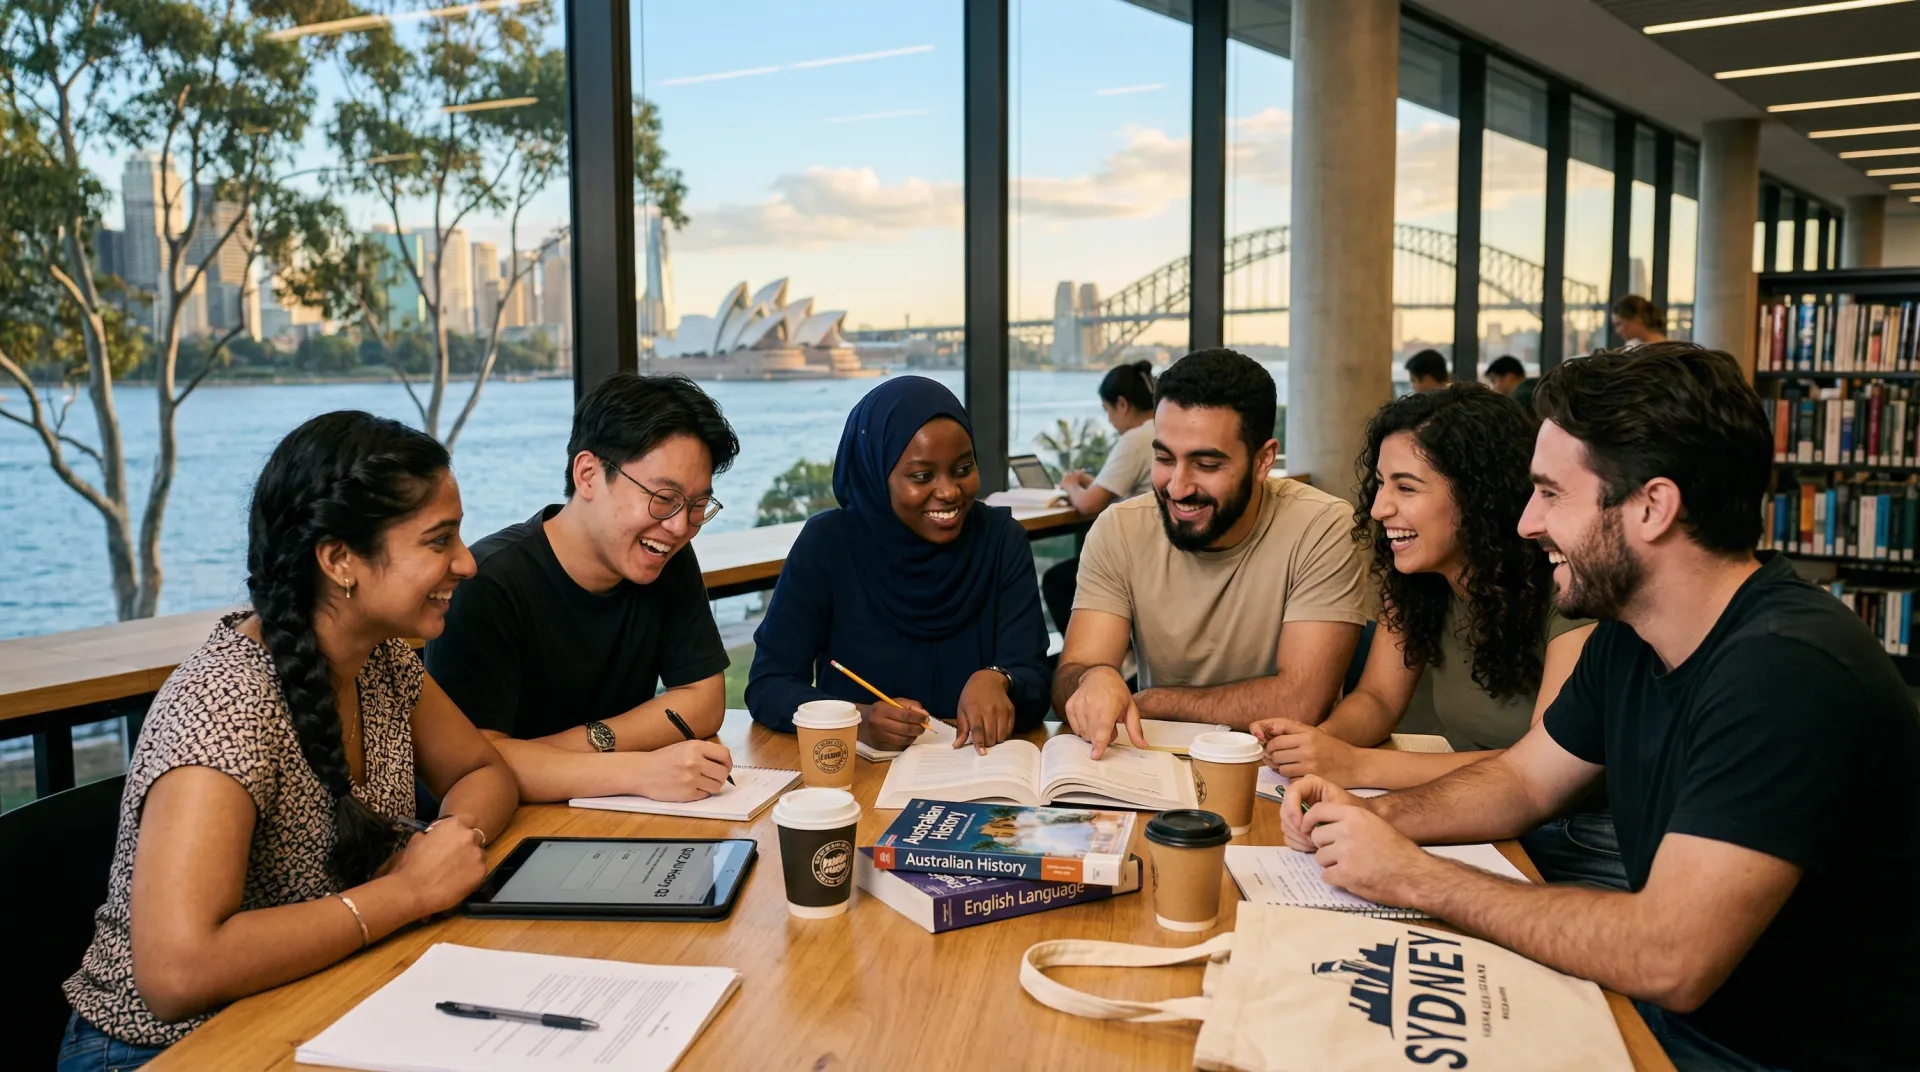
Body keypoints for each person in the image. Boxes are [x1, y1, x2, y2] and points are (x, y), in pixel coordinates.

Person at [1281, 343, 1920, 1071]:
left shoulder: (1787, 670)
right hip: (1676, 1021)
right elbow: (1523, 781)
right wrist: (1367, 820)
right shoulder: (1630, 634)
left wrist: (1409, 874)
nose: (1525, 523)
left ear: (1653, 506)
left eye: (1551, 494)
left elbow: (1668, 956)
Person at [59, 412, 519, 1072]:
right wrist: (408, 893)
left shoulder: (381, 658)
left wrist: (442, 848)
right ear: (338, 560)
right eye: (439, 540)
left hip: (314, 999)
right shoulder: (225, 704)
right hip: (157, 1051)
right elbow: (177, 973)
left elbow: (483, 771)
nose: (467, 562)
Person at [1248, 386, 1599, 796]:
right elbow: (1378, 699)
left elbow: (1542, 763)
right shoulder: (1418, 580)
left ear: (1480, 498)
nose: (1379, 508)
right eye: (1380, 484)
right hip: (1477, 801)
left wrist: (1357, 764)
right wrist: (1315, 742)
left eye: (1406, 488)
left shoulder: (1569, 590)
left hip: (1565, 828)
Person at [425, 373, 738, 804]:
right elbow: (471, 765)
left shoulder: (665, 556)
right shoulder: (489, 582)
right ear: (588, 474)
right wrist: (639, 770)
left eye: (698, 506)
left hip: (606, 817)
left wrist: (578, 745)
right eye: (664, 498)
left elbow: (704, 702)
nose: (680, 526)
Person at [1053, 348, 1366, 756]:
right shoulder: (1119, 529)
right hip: (1158, 761)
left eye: (1206, 464)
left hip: (1278, 767)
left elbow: (1301, 702)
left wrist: (1153, 702)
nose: (1178, 487)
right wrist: (1090, 679)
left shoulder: (1321, 526)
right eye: (1164, 458)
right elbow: (1070, 677)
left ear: (1263, 459)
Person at [747, 377, 1050, 751]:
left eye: (963, 469)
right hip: (859, 776)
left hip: (980, 767)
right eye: (922, 476)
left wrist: (999, 678)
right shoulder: (828, 544)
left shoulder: (1002, 540)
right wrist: (855, 720)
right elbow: (768, 685)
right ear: (876, 474)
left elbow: (1036, 684)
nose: (949, 492)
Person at [1042, 359, 1159, 634]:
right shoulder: (1160, 429)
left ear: (1122, 404)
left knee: (1056, 580)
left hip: (1137, 556)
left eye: (1108, 411)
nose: (1109, 420)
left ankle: (1096, 659)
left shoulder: (1134, 439)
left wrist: (1071, 485)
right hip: (1157, 551)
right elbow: (1129, 490)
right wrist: (1094, 483)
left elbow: (1088, 504)